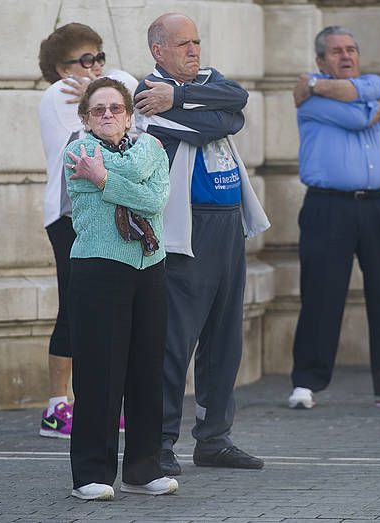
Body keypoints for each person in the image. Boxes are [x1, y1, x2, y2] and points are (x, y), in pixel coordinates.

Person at [134, 13, 270, 476]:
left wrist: (185, 96)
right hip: (186, 233)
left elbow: (237, 102)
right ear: (159, 51)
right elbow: (216, 125)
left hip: (228, 225)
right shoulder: (145, 94)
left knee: (225, 337)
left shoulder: (201, 83)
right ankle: (160, 442)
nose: (194, 50)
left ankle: (214, 438)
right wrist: (193, 107)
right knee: (176, 341)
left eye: (196, 42)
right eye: (183, 44)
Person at [287, 26, 380, 410]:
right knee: (321, 294)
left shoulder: (348, 85)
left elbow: (363, 97)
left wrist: (371, 96)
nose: (346, 56)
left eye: (352, 49)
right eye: (336, 52)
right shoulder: (309, 97)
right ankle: (306, 382)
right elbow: (358, 117)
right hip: (329, 206)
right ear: (320, 61)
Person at [64, 77, 177, 500]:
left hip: (150, 266)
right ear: (86, 118)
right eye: (98, 110)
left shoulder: (150, 147)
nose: (108, 115)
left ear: (130, 115)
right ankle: (91, 474)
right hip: (98, 268)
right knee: (99, 373)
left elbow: (154, 202)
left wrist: (105, 179)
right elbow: (140, 185)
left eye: (115, 108)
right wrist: (119, 178)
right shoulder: (77, 151)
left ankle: (143, 468)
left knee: (147, 370)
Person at [37, 23, 137, 438]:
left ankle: (98, 404)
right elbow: (122, 102)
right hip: (69, 220)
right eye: (85, 61)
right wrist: (105, 91)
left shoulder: (99, 94)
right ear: (63, 69)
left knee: (108, 311)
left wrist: (101, 87)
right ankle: (58, 407)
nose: (96, 67)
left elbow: (132, 86)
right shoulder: (57, 96)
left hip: (102, 215)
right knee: (75, 308)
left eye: (99, 58)